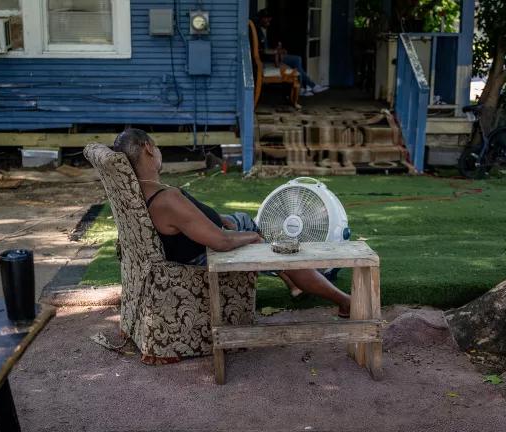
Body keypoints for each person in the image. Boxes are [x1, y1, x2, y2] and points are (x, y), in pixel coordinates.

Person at [113, 128, 351, 317]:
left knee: (240, 220)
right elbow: (220, 242)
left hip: (202, 239)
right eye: (156, 146)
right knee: (277, 249)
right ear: (148, 148)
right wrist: (255, 239)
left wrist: (222, 220)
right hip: (207, 255)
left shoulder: (141, 191)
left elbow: (197, 224)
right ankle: (344, 301)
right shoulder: (165, 200)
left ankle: (294, 282)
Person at [254, 9, 328, 97]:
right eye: (267, 20)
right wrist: (277, 51)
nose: (269, 22)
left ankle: (305, 87)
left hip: (270, 57)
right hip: (266, 59)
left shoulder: (259, 30)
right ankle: (308, 87)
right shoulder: (257, 31)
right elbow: (262, 51)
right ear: (262, 19)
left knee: (297, 61)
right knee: (296, 60)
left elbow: (264, 48)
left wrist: (277, 49)